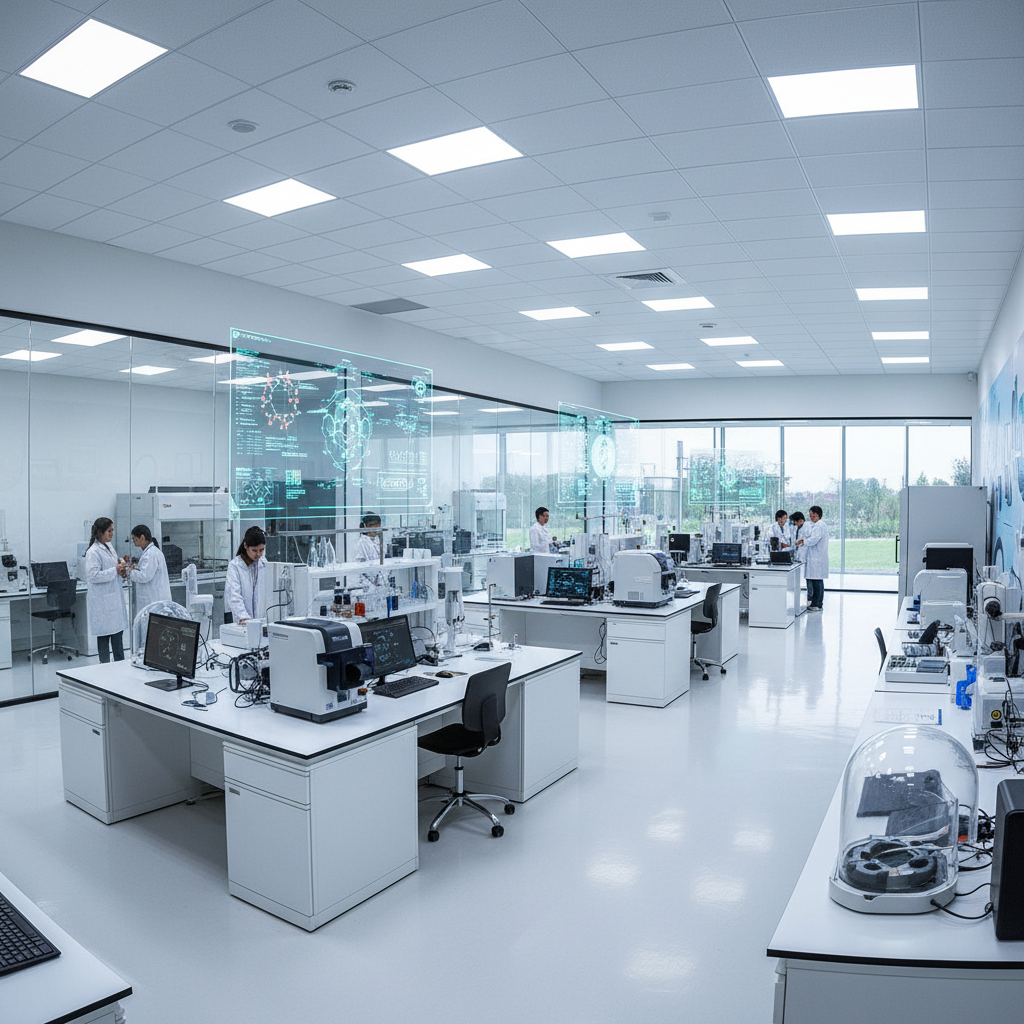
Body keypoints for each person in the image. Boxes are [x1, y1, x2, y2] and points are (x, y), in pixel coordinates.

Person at [85, 517, 128, 663]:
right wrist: (114, 570)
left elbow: (112, 564)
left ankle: (120, 666)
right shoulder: (93, 552)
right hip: (103, 602)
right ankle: (104, 668)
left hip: (113, 599)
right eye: (109, 531)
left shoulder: (109, 547)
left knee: (117, 636)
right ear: (100, 532)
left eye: (112, 530)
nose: (111, 534)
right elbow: (93, 576)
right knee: (104, 637)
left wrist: (120, 564)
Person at [225, 526, 267, 624]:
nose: (258, 554)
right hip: (241, 621)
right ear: (245, 546)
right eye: (254, 550)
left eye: (261, 550)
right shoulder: (235, 566)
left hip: (260, 621)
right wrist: (244, 617)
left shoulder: (264, 563)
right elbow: (234, 595)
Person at [122, 524, 171, 608]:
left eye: (135, 539)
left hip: (154, 601)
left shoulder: (151, 554)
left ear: (142, 538)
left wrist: (127, 571)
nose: (133, 542)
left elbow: (144, 576)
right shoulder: (150, 552)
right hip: (154, 600)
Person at [797, 505, 829, 611]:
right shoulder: (816, 525)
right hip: (815, 557)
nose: (811, 517)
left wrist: (803, 541)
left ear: (817, 514)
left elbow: (814, 539)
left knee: (817, 582)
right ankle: (816, 603)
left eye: (813, 515)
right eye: (810, 515)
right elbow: (810, 536)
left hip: (817, 558)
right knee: (816, 581)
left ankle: (817, 604)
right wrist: (804, 540)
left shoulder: (819, 525)